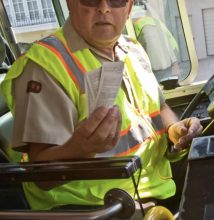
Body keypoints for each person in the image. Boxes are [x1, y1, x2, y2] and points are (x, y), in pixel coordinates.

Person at [0, 0, 202, 213]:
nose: (104, 8)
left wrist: (177, 130)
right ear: (70, 3)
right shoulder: (45, 66)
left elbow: (159, 109)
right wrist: (79, 150)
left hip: (155, 185)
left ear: (129, 7)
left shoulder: (132, 49)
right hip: (98, 208)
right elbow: (43, 176)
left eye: (116, 1)